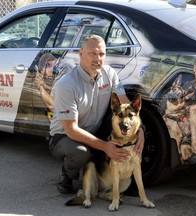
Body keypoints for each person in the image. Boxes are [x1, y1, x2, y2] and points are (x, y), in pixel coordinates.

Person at [48, 35, 145, 194]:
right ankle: (67, 174)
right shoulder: (66, 84)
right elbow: (71, 130)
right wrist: (106, 146)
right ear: (80, 53)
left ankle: (125, 179)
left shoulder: (110, 74)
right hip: (64, 136)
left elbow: (126, 105)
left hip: (96, 129)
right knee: (81, 153)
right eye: (92, 53)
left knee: (131, 133)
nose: (98, 58)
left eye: (101, 54)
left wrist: (140, 130)